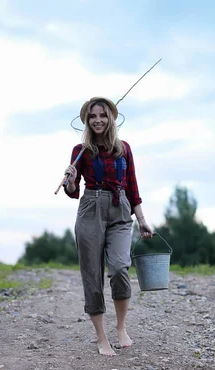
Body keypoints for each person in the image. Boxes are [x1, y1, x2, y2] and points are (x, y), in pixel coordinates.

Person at [63, 96, 153, 356]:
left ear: (111, 118)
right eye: (92, 116)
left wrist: (143, 219)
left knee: (119, 267)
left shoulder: (124, 148)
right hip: (91, 208)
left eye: (102, 115)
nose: (98, 120)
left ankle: (121, 327)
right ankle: (101, 337)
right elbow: (72, 191)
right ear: (87, 121)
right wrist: (70, 179)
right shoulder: (80, 151)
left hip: (120, 209)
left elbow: (132, 187)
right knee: (92, 275)